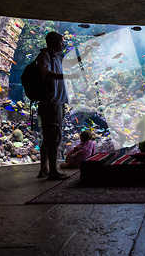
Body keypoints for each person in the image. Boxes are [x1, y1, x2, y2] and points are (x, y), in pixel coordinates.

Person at [36, 31, 92, 180]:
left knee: (49, 138)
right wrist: (68, 76)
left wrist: (86, 53)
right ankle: (53, 171)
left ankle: (44, 169)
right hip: (50, 103)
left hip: (57, 103)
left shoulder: (57, 57)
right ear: (53, 42)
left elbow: (72, 62)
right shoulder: (45, 56)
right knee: (53, 138)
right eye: (61, 41)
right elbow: (45, 73)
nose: (63, 44)